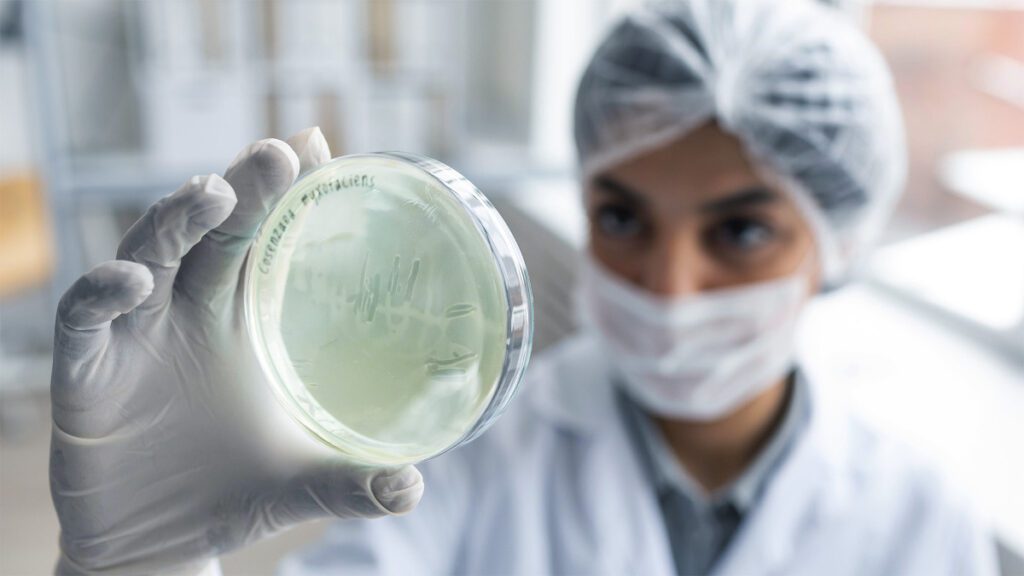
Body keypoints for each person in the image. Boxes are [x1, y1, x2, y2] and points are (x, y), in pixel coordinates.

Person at [49, 0, 997, 574]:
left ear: (838, 243)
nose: (668, 284)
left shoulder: (924, 520)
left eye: (742, 231)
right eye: (623, 218)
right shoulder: (450, 458)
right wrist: (146, 563)